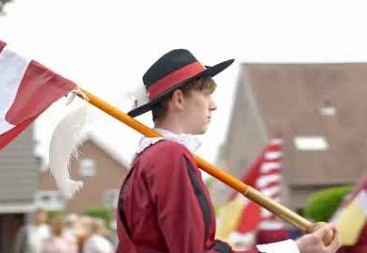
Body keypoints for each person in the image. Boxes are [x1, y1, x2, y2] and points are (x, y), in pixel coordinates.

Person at [116, 49, 341, 253]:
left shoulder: (147, 159)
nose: (213, 105)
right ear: (179, 99)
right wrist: (296, 249)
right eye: (205, 94)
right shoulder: (169, 156)